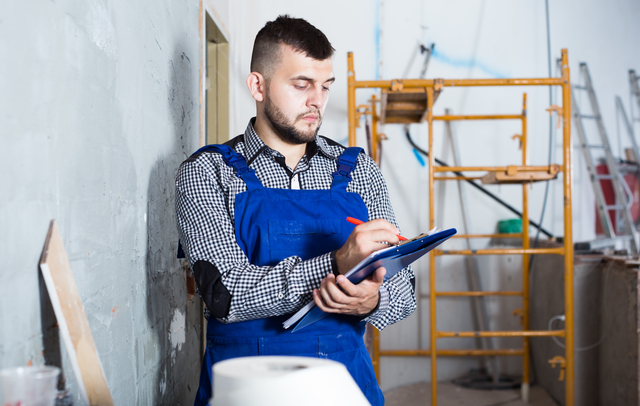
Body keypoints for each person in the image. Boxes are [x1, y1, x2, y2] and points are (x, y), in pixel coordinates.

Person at [175, 15, 416, 406]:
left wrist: (371, 301)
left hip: (345, 388)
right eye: (301, 84)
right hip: (248, 392)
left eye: (325, 86)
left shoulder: (359, 171)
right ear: (258, 85)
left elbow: (403, 292)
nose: (317, 101)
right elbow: (226, 295)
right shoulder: (208, 171)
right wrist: (336, 264)